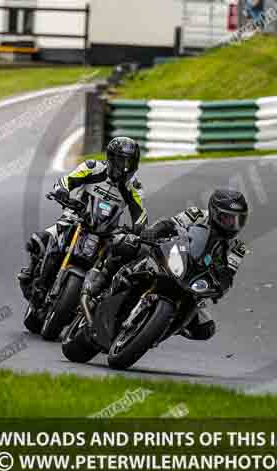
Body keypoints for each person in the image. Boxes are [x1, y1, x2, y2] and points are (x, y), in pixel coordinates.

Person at [81, 188, 249, 340]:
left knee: (206, 329)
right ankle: (99, 282)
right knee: (127, 245)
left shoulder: (237, 247)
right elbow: (171, 223)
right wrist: (154, 231)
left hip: (194, 281)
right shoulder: (196, 215)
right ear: (214, 212)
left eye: (237, 220)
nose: (232, 225)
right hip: (172, 256)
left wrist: (219, 287)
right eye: (228, 218)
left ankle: (165, 327)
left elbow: (228, 274)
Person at [18, 136, 148, 304]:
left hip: (107, 232)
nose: (125, 167)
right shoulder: (92, 168)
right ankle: (32, 276)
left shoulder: (134, 187)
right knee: (39, 241)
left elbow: (140, 214)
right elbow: (67, 180)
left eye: (129, 162)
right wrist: (62, 190)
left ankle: (97, 299)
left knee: (121, 256)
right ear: (110, 158)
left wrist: (140, 229)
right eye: (121, 161)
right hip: (75, 217)